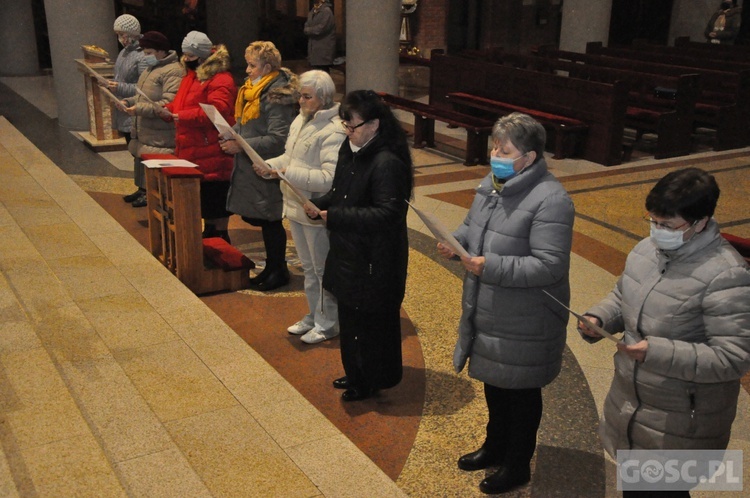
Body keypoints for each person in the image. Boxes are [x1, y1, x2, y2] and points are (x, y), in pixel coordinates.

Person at [579, 168, 750, 498]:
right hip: (634, 400)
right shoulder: (646, 250)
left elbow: (733, 358)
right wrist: (599, 317)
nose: (657, 232)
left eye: (668, 226)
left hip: (681, 416)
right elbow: (622, 294)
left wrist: (654, 352)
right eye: (653, 221)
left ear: (700, 222)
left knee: (662, 491)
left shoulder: (726, 275)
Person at [437, 112, 575, 495]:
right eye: (494, 145)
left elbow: (549, 266)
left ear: (529, 157)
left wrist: (490, 265)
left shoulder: (551, 200)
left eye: (505, 148)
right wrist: (455, 241)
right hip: (493, 305)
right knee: (496, 383)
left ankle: (517, 464)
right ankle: (494, 446)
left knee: (520, 391)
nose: (495, 153)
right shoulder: (495, 183)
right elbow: (473, 226)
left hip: (526, 314)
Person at [304, 90, 413, 402]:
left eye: (352, 126)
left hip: (374, 259)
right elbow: (342, 193)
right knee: (351, 320)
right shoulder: (350, 149)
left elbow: (388, 213)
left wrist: (334, 215)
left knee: (371, 325)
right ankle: (355, 373)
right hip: (349, 252)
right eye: (345, 126)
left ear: (374, 125)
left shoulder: (387, 162)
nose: (347, 132)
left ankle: (371, 380)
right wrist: (321, 204)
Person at [265, 70, 345, 343]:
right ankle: (314, 315)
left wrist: (287, 173)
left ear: (323, 98)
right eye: (301, 95)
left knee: (322, 270)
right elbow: (289, 156)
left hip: (315, 208)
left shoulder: (334, 129)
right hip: (295, 203)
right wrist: (270, 166)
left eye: (307, 96)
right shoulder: (301, 120)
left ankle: (328, 323)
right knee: (309, 269)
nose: (300, 101)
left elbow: (329, 179)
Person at [223, 41, 298, 291]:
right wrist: (230, 133)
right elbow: (247, 124)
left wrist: (240, 144)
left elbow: (278, 137)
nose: (247, 70)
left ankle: (279, 270)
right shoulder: (252, 90)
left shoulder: (275, 95)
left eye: (252, 65)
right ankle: (271, 268)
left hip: (266, 166)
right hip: (253, 166)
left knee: (271, 219)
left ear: (267, 67)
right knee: (265, 220)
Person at [159, 31, 237, 242]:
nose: (185, 59)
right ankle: (210, 240)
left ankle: (220, 245)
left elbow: (217, 110)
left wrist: (179, 116)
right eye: (184, 55)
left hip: (213, 152)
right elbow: (183, 103)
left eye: (190, 56)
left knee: (216, 207)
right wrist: (168, 110)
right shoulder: (192, 76)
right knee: (205, 209)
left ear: (202, 57)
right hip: (193, 150)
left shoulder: (221, 78)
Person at [121, 31, 184, 208]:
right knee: (142, 160)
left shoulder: (173, 71)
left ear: (161, 51)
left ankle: (152, 194)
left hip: (161, 132)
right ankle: (143, 189)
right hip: (147, 128)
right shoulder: (151, 69)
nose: (145, 57)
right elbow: (143, 96)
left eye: (149, 53)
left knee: (156, 167)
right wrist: (128, 101)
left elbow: (168, 103)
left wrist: (138, 108)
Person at [109, 14, 144, 143]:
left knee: (138, 152)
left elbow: (145, 88)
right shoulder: (123, 52)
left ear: (133, 34)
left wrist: (119, 87)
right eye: (118, 35)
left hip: (135, 114)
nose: (120, 38)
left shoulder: (143, 55)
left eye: (122, 34)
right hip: (122, 110)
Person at [303, 0, 336, 72]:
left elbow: (320, 29)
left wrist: (309, 30)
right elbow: (306, 25)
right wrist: (309, 30)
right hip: (314, 48)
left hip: (323, 49)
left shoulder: (326, 11)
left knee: (323, 73)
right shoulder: (313, 10)